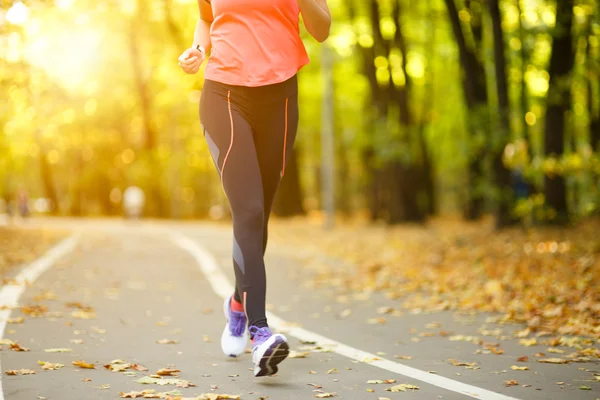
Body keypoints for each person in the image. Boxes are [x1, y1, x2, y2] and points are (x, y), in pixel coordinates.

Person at [178, 0, 331, 377]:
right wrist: (199, 48)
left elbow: (322, 29)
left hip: (279, 97)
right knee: (247, 210)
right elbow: (205, 18)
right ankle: (260, 332)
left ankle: (237, 303)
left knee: (259, 217)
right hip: (224, 94)